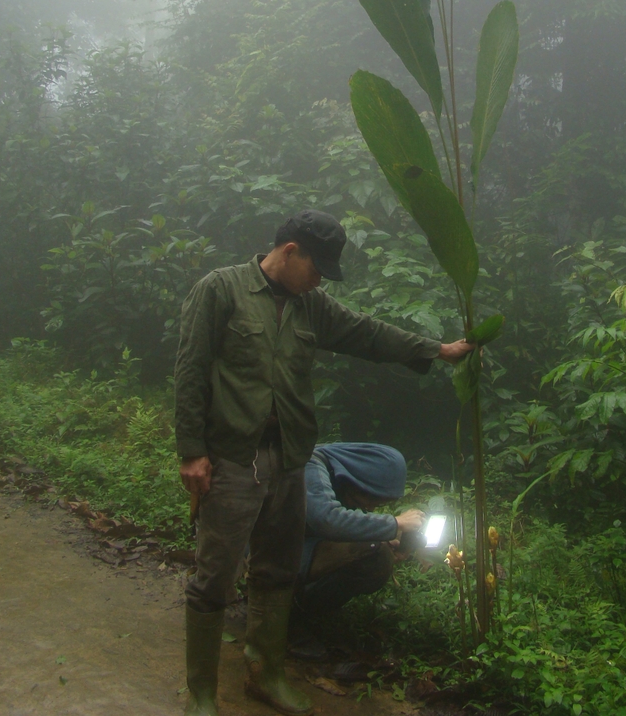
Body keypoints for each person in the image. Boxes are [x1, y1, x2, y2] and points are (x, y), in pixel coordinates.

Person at [175, 209, 473, 716]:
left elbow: (367, 333)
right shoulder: (220, 291)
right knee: (215, 578)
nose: (318, 281)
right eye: (316, 268)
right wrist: (192, 453)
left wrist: (435, 350)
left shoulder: (310, 307)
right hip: (231, 459)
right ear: (291, 251)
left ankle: (264, 674)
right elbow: (190, 369)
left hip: (290, 458)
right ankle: (202, 693)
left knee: (276, 572)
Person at [290, 441, 423, 660]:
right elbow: (327, 520)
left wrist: (385, 538)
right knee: (374, 552)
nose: (370, 508)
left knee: (376, 554)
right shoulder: (311, 465)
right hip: (270, 552)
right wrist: (394, 523)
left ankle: (309, 610)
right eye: (371, 499)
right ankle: (289, 616)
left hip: (302, 546)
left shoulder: (340, 479)